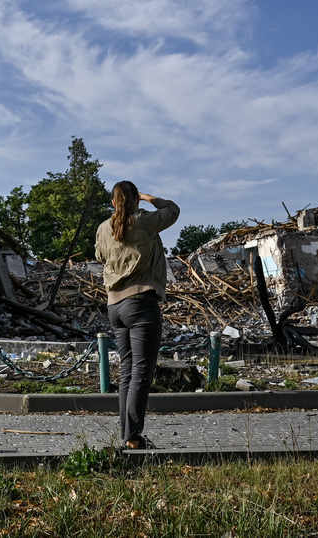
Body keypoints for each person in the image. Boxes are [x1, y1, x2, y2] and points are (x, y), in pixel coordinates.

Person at [94, 181, 179, 450]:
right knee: (142, 371)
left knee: (127, 371)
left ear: (112, 202)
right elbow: (173, 210)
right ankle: (132, 437)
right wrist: (150, 198)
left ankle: (127, 434)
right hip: (141, 302)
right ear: (135, 201)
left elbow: (99, 255)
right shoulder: (144, 222)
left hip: (114, 306)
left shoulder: (103, 228)